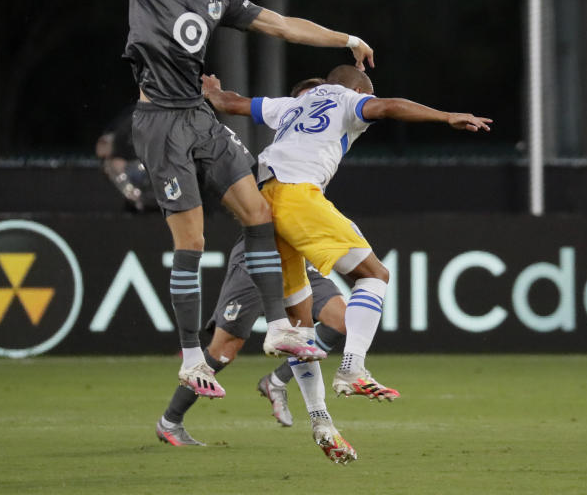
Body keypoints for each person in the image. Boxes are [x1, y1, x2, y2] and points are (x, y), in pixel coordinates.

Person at [0, 0, 375, 398]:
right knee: (191, 243)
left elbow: (282, 26)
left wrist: (346, 38)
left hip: (197, 114)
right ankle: (192, 357)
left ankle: (280, 328)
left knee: (260, 212)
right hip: (160, 123)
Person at [202, 64, 491, 438]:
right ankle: (353, 366)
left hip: (263, 207)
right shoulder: (347, 98)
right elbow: (388, 106)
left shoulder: (290, 105)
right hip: (296, 195)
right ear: (356, 88)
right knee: (375, 275)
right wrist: (446, 116)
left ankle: (321, 423)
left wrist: (212, 92)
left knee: (300, 333)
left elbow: (231, 103)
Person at [155, 78, 356, 464]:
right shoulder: (276, 151)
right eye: (306, 99)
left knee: (341, 321)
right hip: (257, 259)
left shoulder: (320, 143)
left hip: (295, 254)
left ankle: (279, 381)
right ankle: (170, 419)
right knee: (225, 351)